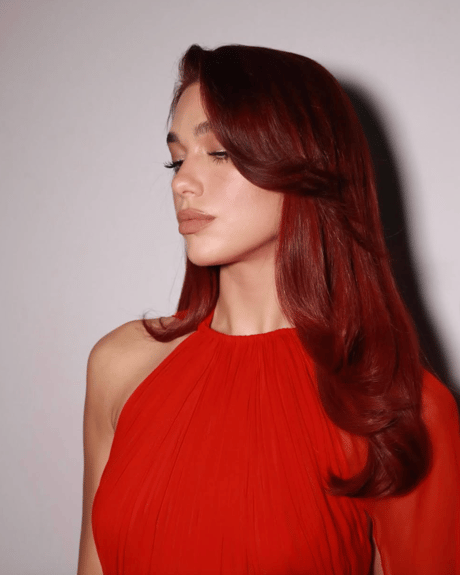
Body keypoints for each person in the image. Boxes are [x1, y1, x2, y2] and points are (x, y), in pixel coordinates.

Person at [77, 44, 460, 575]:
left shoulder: (395, 408)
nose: (181, 182)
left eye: (219, 153)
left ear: (305, 162)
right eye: (177, 158)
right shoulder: (121, 367)